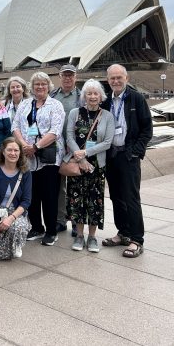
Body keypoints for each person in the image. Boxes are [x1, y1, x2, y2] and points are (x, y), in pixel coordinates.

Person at [101, 64, 152, 258]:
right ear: (108, 80)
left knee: (131, 198)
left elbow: (147, 129)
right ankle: (123, 232)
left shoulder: (136, 98)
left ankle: (136, 240)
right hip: (112, 155)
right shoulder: (106, 101)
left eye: (119, 77)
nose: (115, 81)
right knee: (116, 197)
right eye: (112, 78)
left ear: (126, 78)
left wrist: (136, 152)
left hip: (128, 155)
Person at [12, 72, 65, 246]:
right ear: (32, 87)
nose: (40, 87)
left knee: (49, 195)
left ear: (48, 86)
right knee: (32, 195)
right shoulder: (26, 104)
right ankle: (36, 227)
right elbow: (16, 126)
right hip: (28, 157)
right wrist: (24, 146)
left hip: (48, 156)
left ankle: (51, 230)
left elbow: (55, 131)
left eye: (43, 84)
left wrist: (36, 146)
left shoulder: (55, 105)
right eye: (36, 84)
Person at [64, 79, 115, 253]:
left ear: (101, 96)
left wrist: (86, 154)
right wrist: (80, 158)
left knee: (95, 200)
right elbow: (69, 136)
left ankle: (92, 237)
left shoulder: (107, 116)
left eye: (95, 93)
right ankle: (79, 235)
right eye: (89, 93)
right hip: (77, 164)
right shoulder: (74, 113)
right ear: (84, 96)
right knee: (76, 200)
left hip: (96, 166)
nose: (92, 96)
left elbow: (108, 142)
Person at [0, 137, 32, 260]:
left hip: (15, 214)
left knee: (18, 227)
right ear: (3, 151)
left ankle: (16, 243)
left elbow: (26, 201)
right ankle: (3, 240)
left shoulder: (25, 172)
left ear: (20, 153)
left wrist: (10, 219)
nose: (13, 153)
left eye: (16, 150)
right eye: (9, 150)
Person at [50, 64, 81, 235]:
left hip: (76, 147)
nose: (68, 78)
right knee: (59, 186)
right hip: (57, 147)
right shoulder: (53, 95)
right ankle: (60, 220)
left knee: (76, 185)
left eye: (71, 75)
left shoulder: (82, 95)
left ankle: (77, 222)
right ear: (60, 76)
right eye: (65, 75)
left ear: (75, 77)